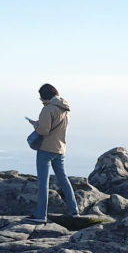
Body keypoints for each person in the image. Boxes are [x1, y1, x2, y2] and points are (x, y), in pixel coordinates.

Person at [26, 83, 79, 224]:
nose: (41, 100)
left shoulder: (48, 109)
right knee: (63, 180)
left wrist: (36, 125)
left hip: (46, 149)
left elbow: (44, 131)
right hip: (60, 148)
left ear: (45, 96)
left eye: (41, 97)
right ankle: (74, 211)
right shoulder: (66, 109)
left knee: (43, 183)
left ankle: (40, 215)